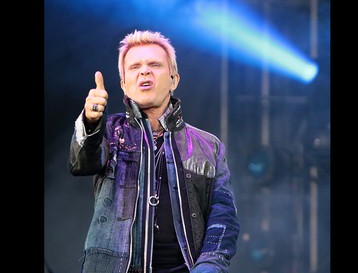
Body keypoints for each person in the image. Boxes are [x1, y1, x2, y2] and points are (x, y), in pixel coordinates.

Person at [68, 29, 240, 273]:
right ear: (124, 85)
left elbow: (223, 216)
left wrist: (210, 265)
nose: (144, 71)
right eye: (135, 66)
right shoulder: (108, 132)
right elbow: (80, 163)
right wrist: (90, 122)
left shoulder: (208, 146)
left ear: (173, 80)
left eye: (154, 64)